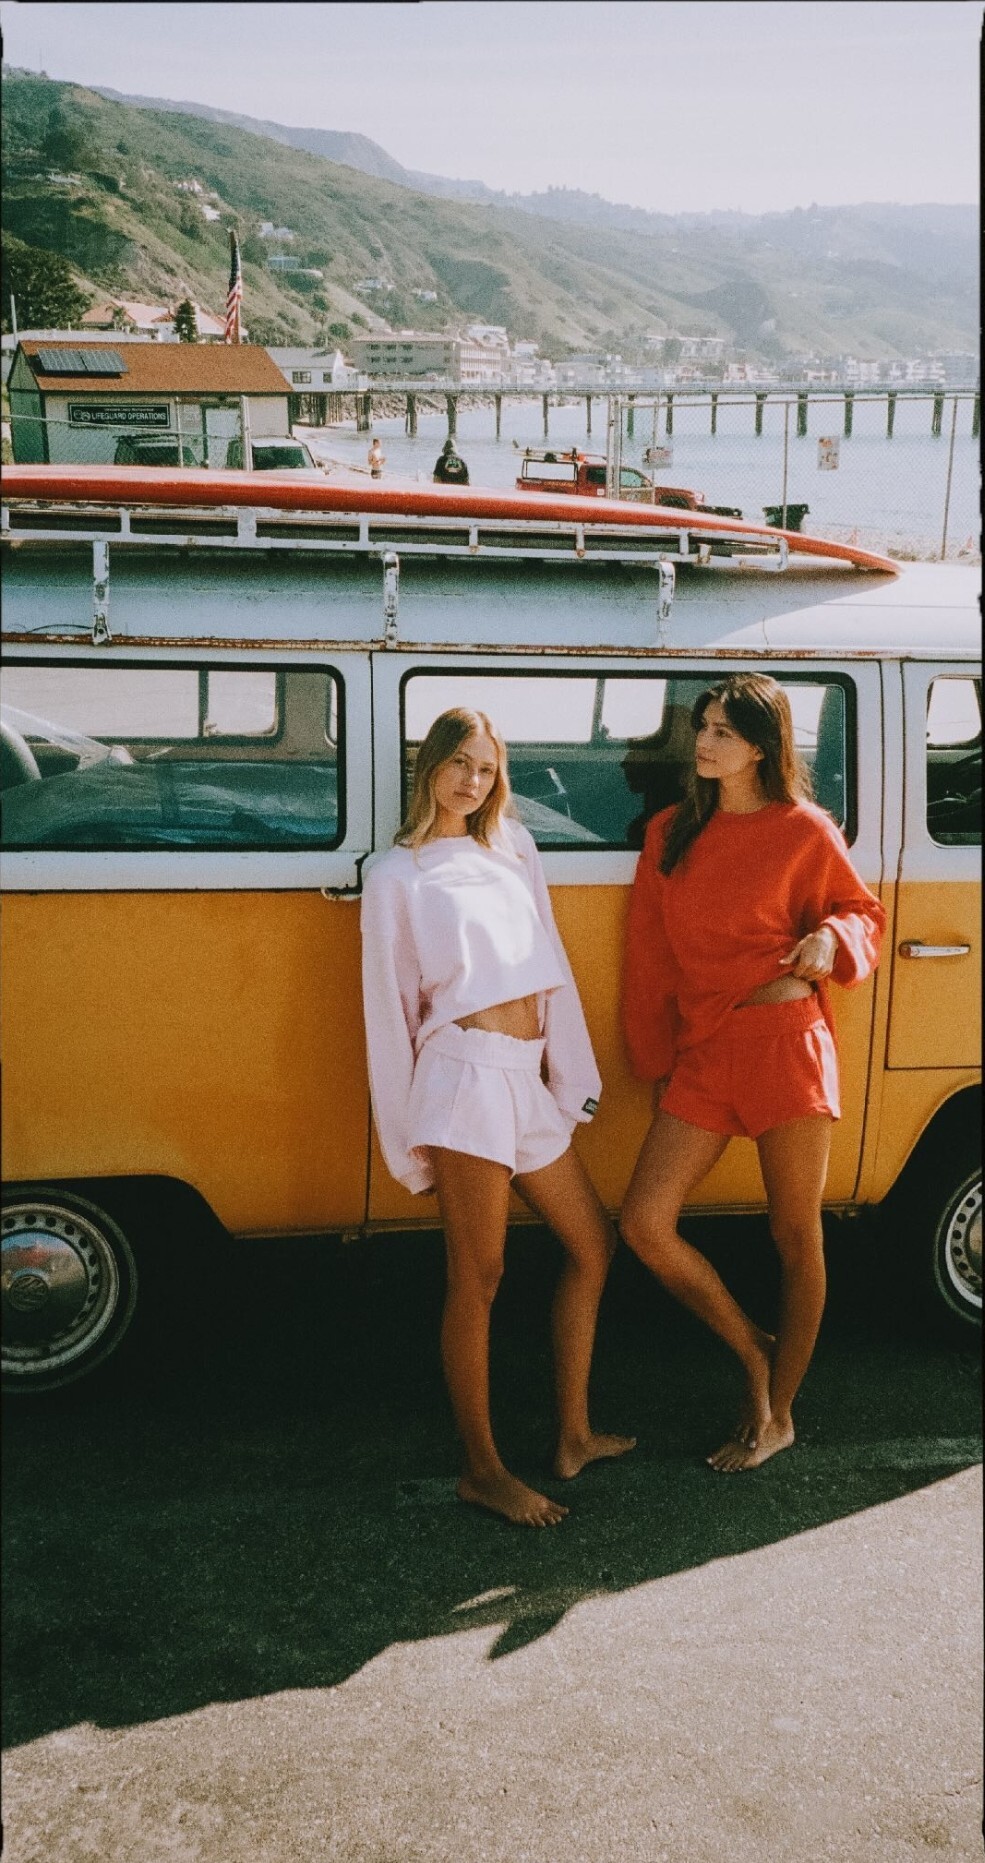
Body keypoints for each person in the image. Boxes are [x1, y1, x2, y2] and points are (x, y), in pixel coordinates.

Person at [361, 707, 634, 1527]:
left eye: (485, 768)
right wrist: (406, 1142)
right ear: (429, 767)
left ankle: (573, 1435)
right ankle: (481, 1469)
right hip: (462, 1079)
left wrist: (569, 1075)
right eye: (458, 763)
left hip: (525, 1077)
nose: (471, 780)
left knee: (592, 1244)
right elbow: (387, 1013)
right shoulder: (396, 874)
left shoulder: (512, 846)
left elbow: (552, 963)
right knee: (477, 1277)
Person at [620, 673, 885, 1472]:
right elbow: (649, 959)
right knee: (643, 1223)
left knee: (793, 1234)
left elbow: (862, 912)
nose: (703, 742)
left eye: (722, 732)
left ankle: (779, 1413)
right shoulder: (669, 832)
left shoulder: (803, 828)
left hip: (784, 1041)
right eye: (702, 726)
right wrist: (655, 1059)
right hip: (706, 1052)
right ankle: (753, 1349)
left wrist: (830, 939)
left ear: (762, 748)